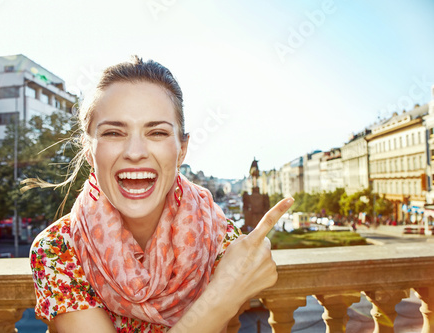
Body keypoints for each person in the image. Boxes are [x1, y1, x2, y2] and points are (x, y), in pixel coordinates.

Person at [29, 56, 294, 332]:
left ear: (182, 150)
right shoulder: (58, 248)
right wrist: (222, 298)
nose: (135, 152)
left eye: (156, 132)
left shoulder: (218, 238)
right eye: (113, 133)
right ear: (88, 150)